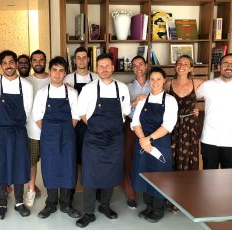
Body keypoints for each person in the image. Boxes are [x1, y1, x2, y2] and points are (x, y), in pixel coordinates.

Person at [76, 53, 130, 228]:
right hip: (94, 137)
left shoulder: (121, 88)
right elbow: (81, 113)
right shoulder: (89, 89)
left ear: (113, 68)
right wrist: (95, 127)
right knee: (90, 175)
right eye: (101, 66)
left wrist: (111, 127)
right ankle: (88, 212)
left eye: (107, 66)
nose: (104, 69)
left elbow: (125, 112)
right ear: (96, 68)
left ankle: (105, 206)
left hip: (115, 137)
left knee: (111, 172)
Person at [0, 50, 33, 219]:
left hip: (18, 131)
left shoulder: (26, 86)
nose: (8, 66)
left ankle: (19, 202)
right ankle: (3, 204)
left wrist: (14, 124)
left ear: (16, 63)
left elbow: (27, 110)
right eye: (4, 63)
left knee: (19, 164)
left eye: (11, 62)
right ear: (0, 65)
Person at [33, 56, 81, 219]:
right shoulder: (42, 93)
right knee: (50, 168)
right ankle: (51, 203)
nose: (58, 74)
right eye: (54, 70)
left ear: (65, 73)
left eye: (61, 70)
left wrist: (65, 130)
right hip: (49, 137)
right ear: (50, 71)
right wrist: (50, 131)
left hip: (67, 136)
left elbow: (76, 116)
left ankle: (66, 203)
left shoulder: (72, 93)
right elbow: (37, 116)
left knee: (68, 168)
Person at [131, 67, 178, 223]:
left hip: (159, 143)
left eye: (159, 79)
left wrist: (148, 140)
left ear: (164, 81)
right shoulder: (143, 99)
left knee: (159, 177)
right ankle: (149, 207)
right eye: (152, 79)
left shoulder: (170, 100)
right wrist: (143, 140)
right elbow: (135, 122)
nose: (155, 82)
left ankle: (158, 210)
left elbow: (168, 125)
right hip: (143, 143)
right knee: (145, 175)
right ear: (149, 81)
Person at [64, 47, 98, 197]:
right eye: (79, 57)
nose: (82, 60)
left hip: (92, 123)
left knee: (92, 159)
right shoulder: (67, 79)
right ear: (74, 60)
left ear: (89, 59)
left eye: (85, 57)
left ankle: (95, 191)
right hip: (74, 125)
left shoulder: (97, 78)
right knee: (73, 158)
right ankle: (70, 192)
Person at [123, 55, 151, 209]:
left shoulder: (154, 83)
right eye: (134, 65)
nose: (138, 67)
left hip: (151, 127)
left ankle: (149, 192)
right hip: (132, 126)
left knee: (148, 159)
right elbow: (123, 109)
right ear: (132, 69)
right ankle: (130, 194)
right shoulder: (127, 87)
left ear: (146, 66)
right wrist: (134, 101)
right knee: (129, 158)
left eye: (141, 64)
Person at [24, 50, 50, 207]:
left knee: (50, 162)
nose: (38, 62)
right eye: (35, 60)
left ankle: (52, 192)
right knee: (32, 162)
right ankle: (31, 189)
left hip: (50, 131)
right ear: (31, 63)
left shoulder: (54, 78)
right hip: (31, 131)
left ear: (45, 61)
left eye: (41, 60)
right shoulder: (26, 81)